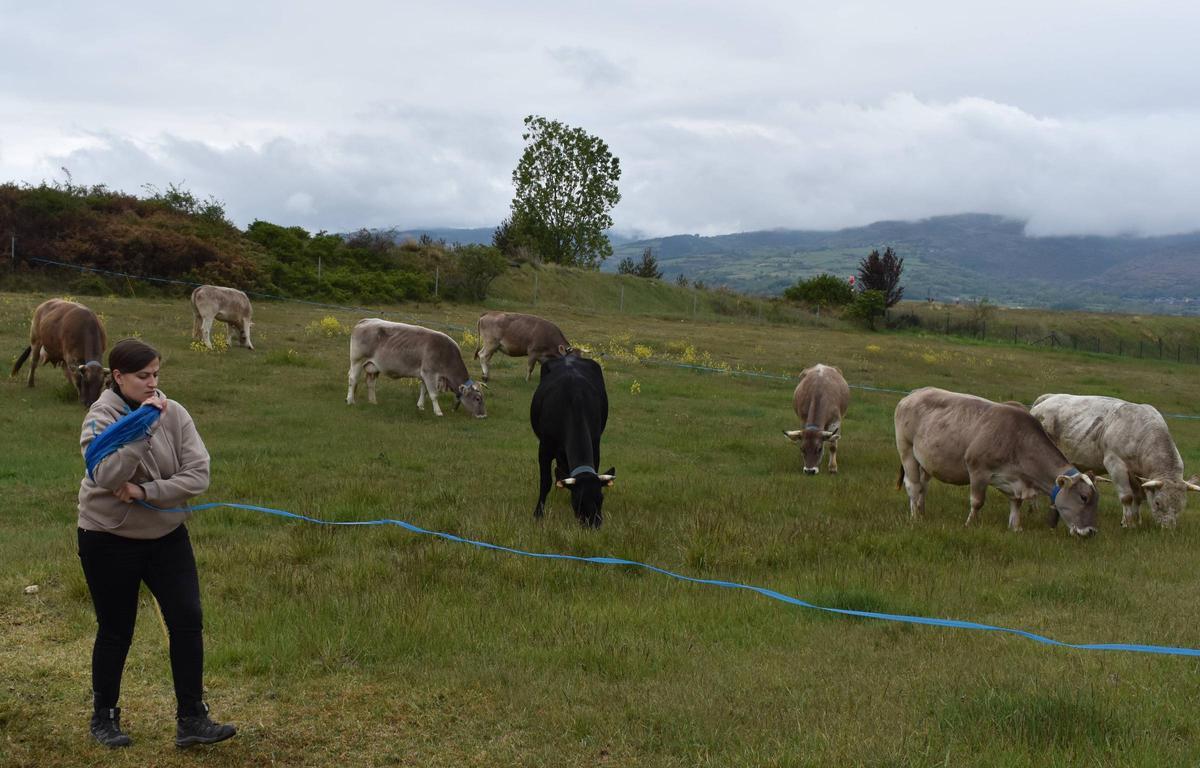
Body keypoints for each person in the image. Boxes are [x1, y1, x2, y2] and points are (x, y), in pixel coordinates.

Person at [77, 338, 236, 749]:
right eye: (142, 376)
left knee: (188, 618)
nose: (152, 384)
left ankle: (192, 719)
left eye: (156, 375)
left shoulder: (174, 411)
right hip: (108, 538)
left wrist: (148, 492)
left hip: (166, 535)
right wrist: (139, 430)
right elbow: (106, 475)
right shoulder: (99, 417)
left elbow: (198, 474)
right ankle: (104, 718)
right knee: (116, 630)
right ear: (118, 377)